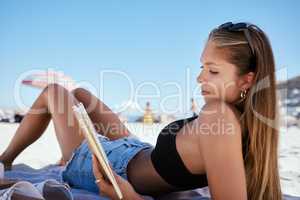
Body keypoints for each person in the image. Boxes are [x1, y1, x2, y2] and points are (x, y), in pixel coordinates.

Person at [0, 22, 282, 200]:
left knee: (54, 93)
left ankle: (6, 159)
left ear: (248, 79)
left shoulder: (220, 116)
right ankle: (43, 155)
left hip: (115, 167)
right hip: (134, 149)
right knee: (80, 95)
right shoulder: (249, 121)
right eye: (201, 67)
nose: (199, 78)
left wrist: (130, 196)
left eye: (213, 70)